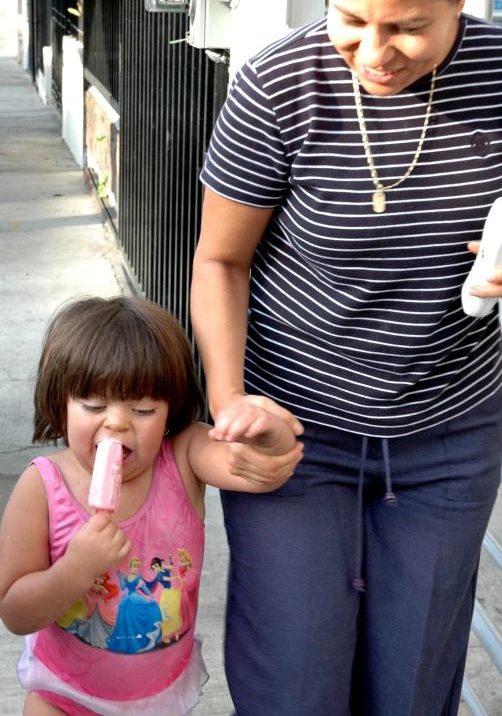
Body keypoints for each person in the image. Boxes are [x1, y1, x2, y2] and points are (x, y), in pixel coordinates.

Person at [190, 0, 502, 714]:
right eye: (351, 17)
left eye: (407, 27)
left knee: (410, 686)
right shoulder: (278, 83)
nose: (374, 52)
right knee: (295, 683)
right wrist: (230, 408)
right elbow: (221, 260)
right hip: (293, 428)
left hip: (451, 428)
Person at [0, 296, 303, 716]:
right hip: (62, 696)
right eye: (93, 405)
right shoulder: (42, 487)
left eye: (142, 408)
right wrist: (75, 569)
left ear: (170, 410)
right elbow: (14, 612)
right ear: (61, 404)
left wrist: (268, 435)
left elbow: (255, 467)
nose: (119, 422)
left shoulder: (183, 457)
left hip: (159, 697)